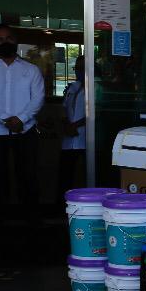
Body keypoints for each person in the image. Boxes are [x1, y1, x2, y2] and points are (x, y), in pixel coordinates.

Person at [0, 23, 44, 209]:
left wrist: (21, 119)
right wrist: (6, 118)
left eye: (9, 38)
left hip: (25, 131)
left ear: (16, 41)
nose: (5, 42)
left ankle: (31, 217)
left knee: (28, 175)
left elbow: (38, 98)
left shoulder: (31, 69)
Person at [59, 55, 88, 192]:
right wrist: (67, 125)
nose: (78, 71)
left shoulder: (95, 88)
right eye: (76, 68)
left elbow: (97, 114)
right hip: (69, 139)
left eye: (82, 68)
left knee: (84, 176)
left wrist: (74, 126)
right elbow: (64, 109)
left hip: (84, 139)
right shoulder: (71, 87)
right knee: (65, 174)